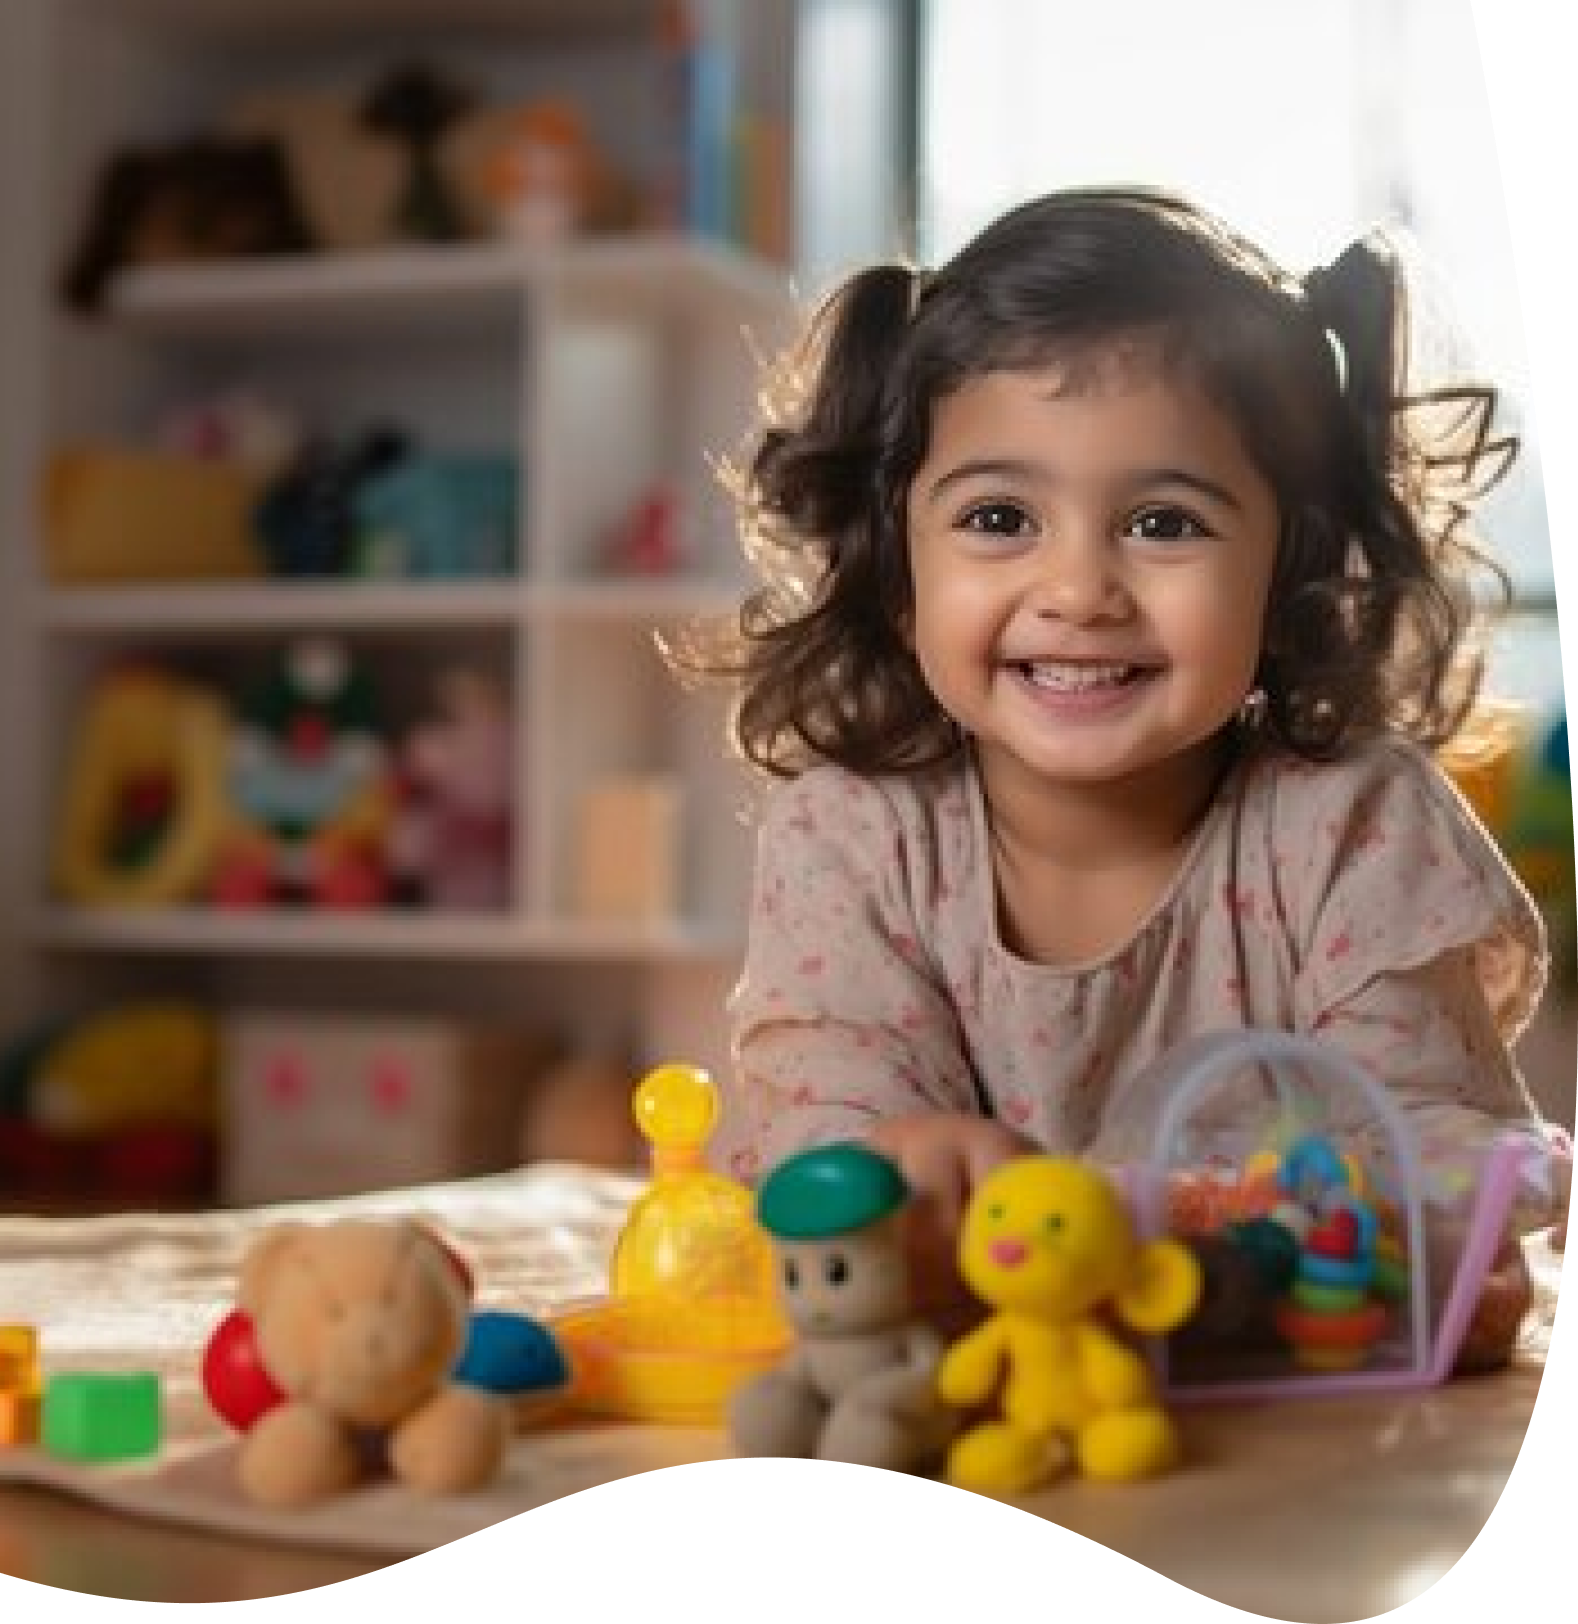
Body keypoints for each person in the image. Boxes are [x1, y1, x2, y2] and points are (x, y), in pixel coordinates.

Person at [666, 186, 1563, 1265]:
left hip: (1283, 1389)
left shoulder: (1355, 827)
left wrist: (1183, 1226)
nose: (1080, 588)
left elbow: (1439, 1168)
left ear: (1292, 574)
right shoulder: (853, 837)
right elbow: (821, 1152)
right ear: (898, 568)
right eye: (1000, 519)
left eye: (1162, 522)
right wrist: (897, 1164)